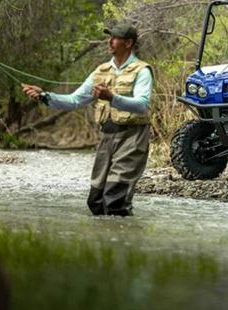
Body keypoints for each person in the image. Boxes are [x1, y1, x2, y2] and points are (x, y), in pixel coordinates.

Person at [22, 22, 153, 216]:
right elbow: (75, 100)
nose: (110, 41)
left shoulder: (142, 71)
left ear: (128, 43)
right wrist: (45, 96)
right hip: (106, 138)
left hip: (132, 138)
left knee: (115, 201)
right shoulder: (100, 71)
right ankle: (105, 244)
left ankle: (124, 243)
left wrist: (112, 98)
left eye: (115, 38)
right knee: (96, 202)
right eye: (110, 37)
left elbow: (142, 104)